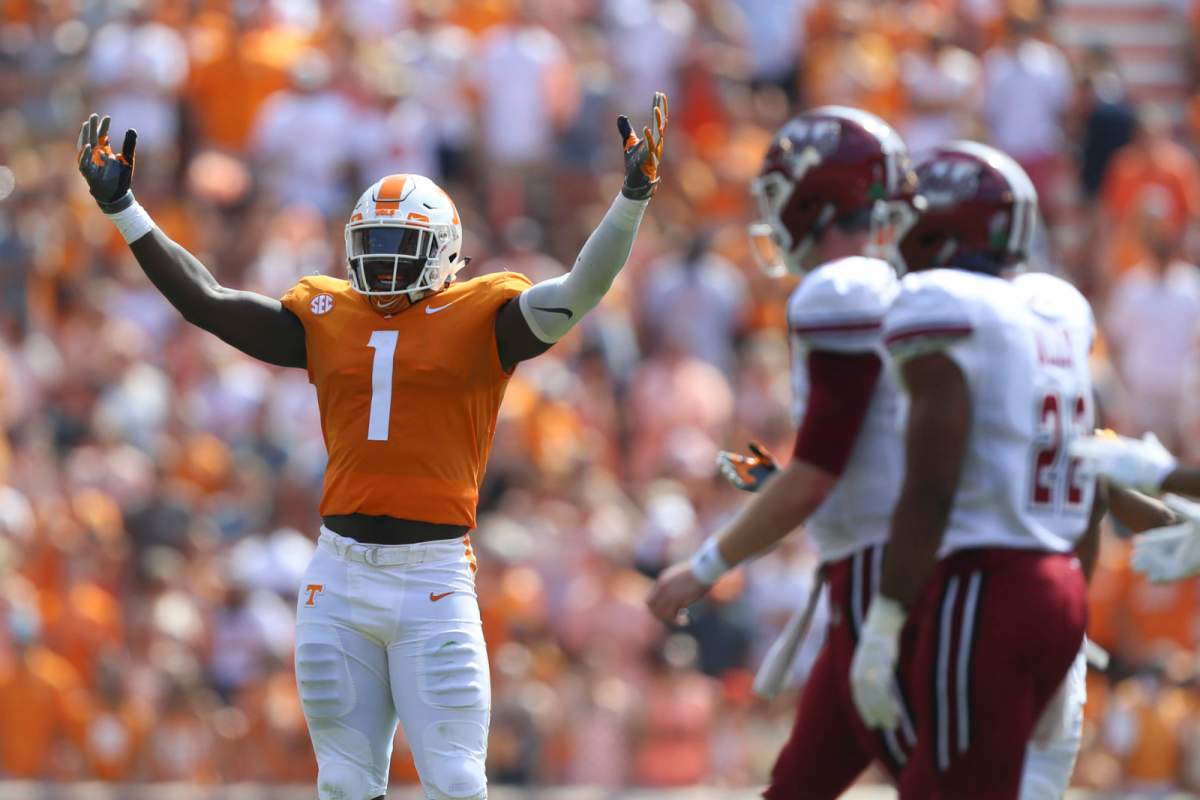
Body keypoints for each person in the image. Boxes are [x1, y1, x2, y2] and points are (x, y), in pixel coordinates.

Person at [75, 93, 667, 800]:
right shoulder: (328, 313)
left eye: (400, 246)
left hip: (433, 576)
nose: (383, 262)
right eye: (374, 244)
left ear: (443, 252)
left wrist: (631, 199)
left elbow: (583, 287)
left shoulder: (483, 315)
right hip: (340, 571)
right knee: (345, 785)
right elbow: (208, 301)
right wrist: (125, 210)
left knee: (456, 782)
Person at [647, 105, 923, 798]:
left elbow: (815, 474)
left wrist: (706, 566)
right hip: (870, 566)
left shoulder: (841, 292)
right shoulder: (892, 291)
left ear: (814, 201)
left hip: (885, 572)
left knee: (937, 783)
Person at [848, 142, 1097, 799]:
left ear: (941, 229)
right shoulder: (1056, 310)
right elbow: (1090, 475)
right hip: (1060, 579)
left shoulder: (943, 303)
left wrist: (885, 620)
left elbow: (933, 485)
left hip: (988, 584)